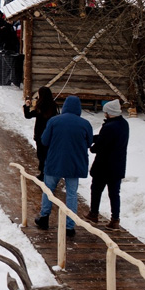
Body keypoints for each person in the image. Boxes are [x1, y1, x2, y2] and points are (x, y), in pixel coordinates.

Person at [34, 96, 93, 237]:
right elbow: (89, 143)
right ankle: (69, 226)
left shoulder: (54, 121)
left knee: (48, 190)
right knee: (72, 194)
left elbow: (44, 140)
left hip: (55, 161)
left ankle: (44, 218)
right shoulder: (85, 124)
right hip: (74, 164)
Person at [85, 100, 129, 230]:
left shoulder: (109, 127)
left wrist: (91, 146)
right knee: (114, 193)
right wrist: (95, 137)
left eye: (105, 112)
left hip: (104, 166)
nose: (104, 114)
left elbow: (100, 145)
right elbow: (107, 138)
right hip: (118, 165)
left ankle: (93, 213)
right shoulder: (124, 124)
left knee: (96, 189)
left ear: (109, 113)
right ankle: (115, 219)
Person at [23, 87, 58, 180]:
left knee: (41, 154)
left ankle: (43, 173)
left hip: (40, 134)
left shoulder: (40, 106)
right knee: (47, 153)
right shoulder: (53, 106)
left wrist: (27, 105)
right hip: (50, 133)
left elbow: (28, 116)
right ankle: (47, 172)